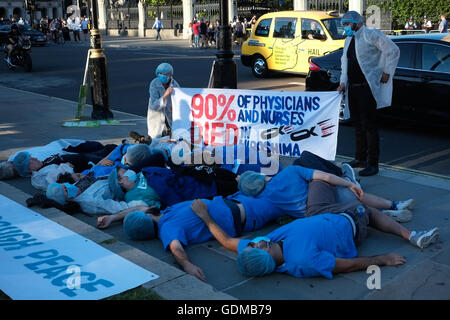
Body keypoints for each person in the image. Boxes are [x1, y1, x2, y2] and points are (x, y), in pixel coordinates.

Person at [192, 200, 439, 279]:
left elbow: (226, 242)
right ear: (265, 256)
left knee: (319, 179)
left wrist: (204, 215)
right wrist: (383, 259)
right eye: (256, 247)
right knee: (365, 208)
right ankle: (411, 235)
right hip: (350, 223)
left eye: (253, 245)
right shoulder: (303, 261)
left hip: (321, 215)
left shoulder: (268, 243)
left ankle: (386, 207)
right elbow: (348, 265)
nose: (254, 242)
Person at [337, 11, 400, 176]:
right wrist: (343, 82)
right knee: (357, 126)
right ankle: (360, 158)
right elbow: (345, 62)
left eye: (346, 24)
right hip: (354, 88)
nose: (345, 28)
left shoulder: (371, 35)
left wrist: (387, 71)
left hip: (367, 88)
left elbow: (392, 50)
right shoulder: (348, 40)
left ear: (356, 23)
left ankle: (373, 163)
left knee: (369, 127)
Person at [147, 62, 180, 140]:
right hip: (156, 120)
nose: (163, 76)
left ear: (170, 76)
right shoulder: (154, 84)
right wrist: (165, 95)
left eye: (165, 74)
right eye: (160, 74)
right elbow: (154, 106)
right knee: (156, 142)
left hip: (170, 121)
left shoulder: (174, 85)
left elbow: (179, 102)